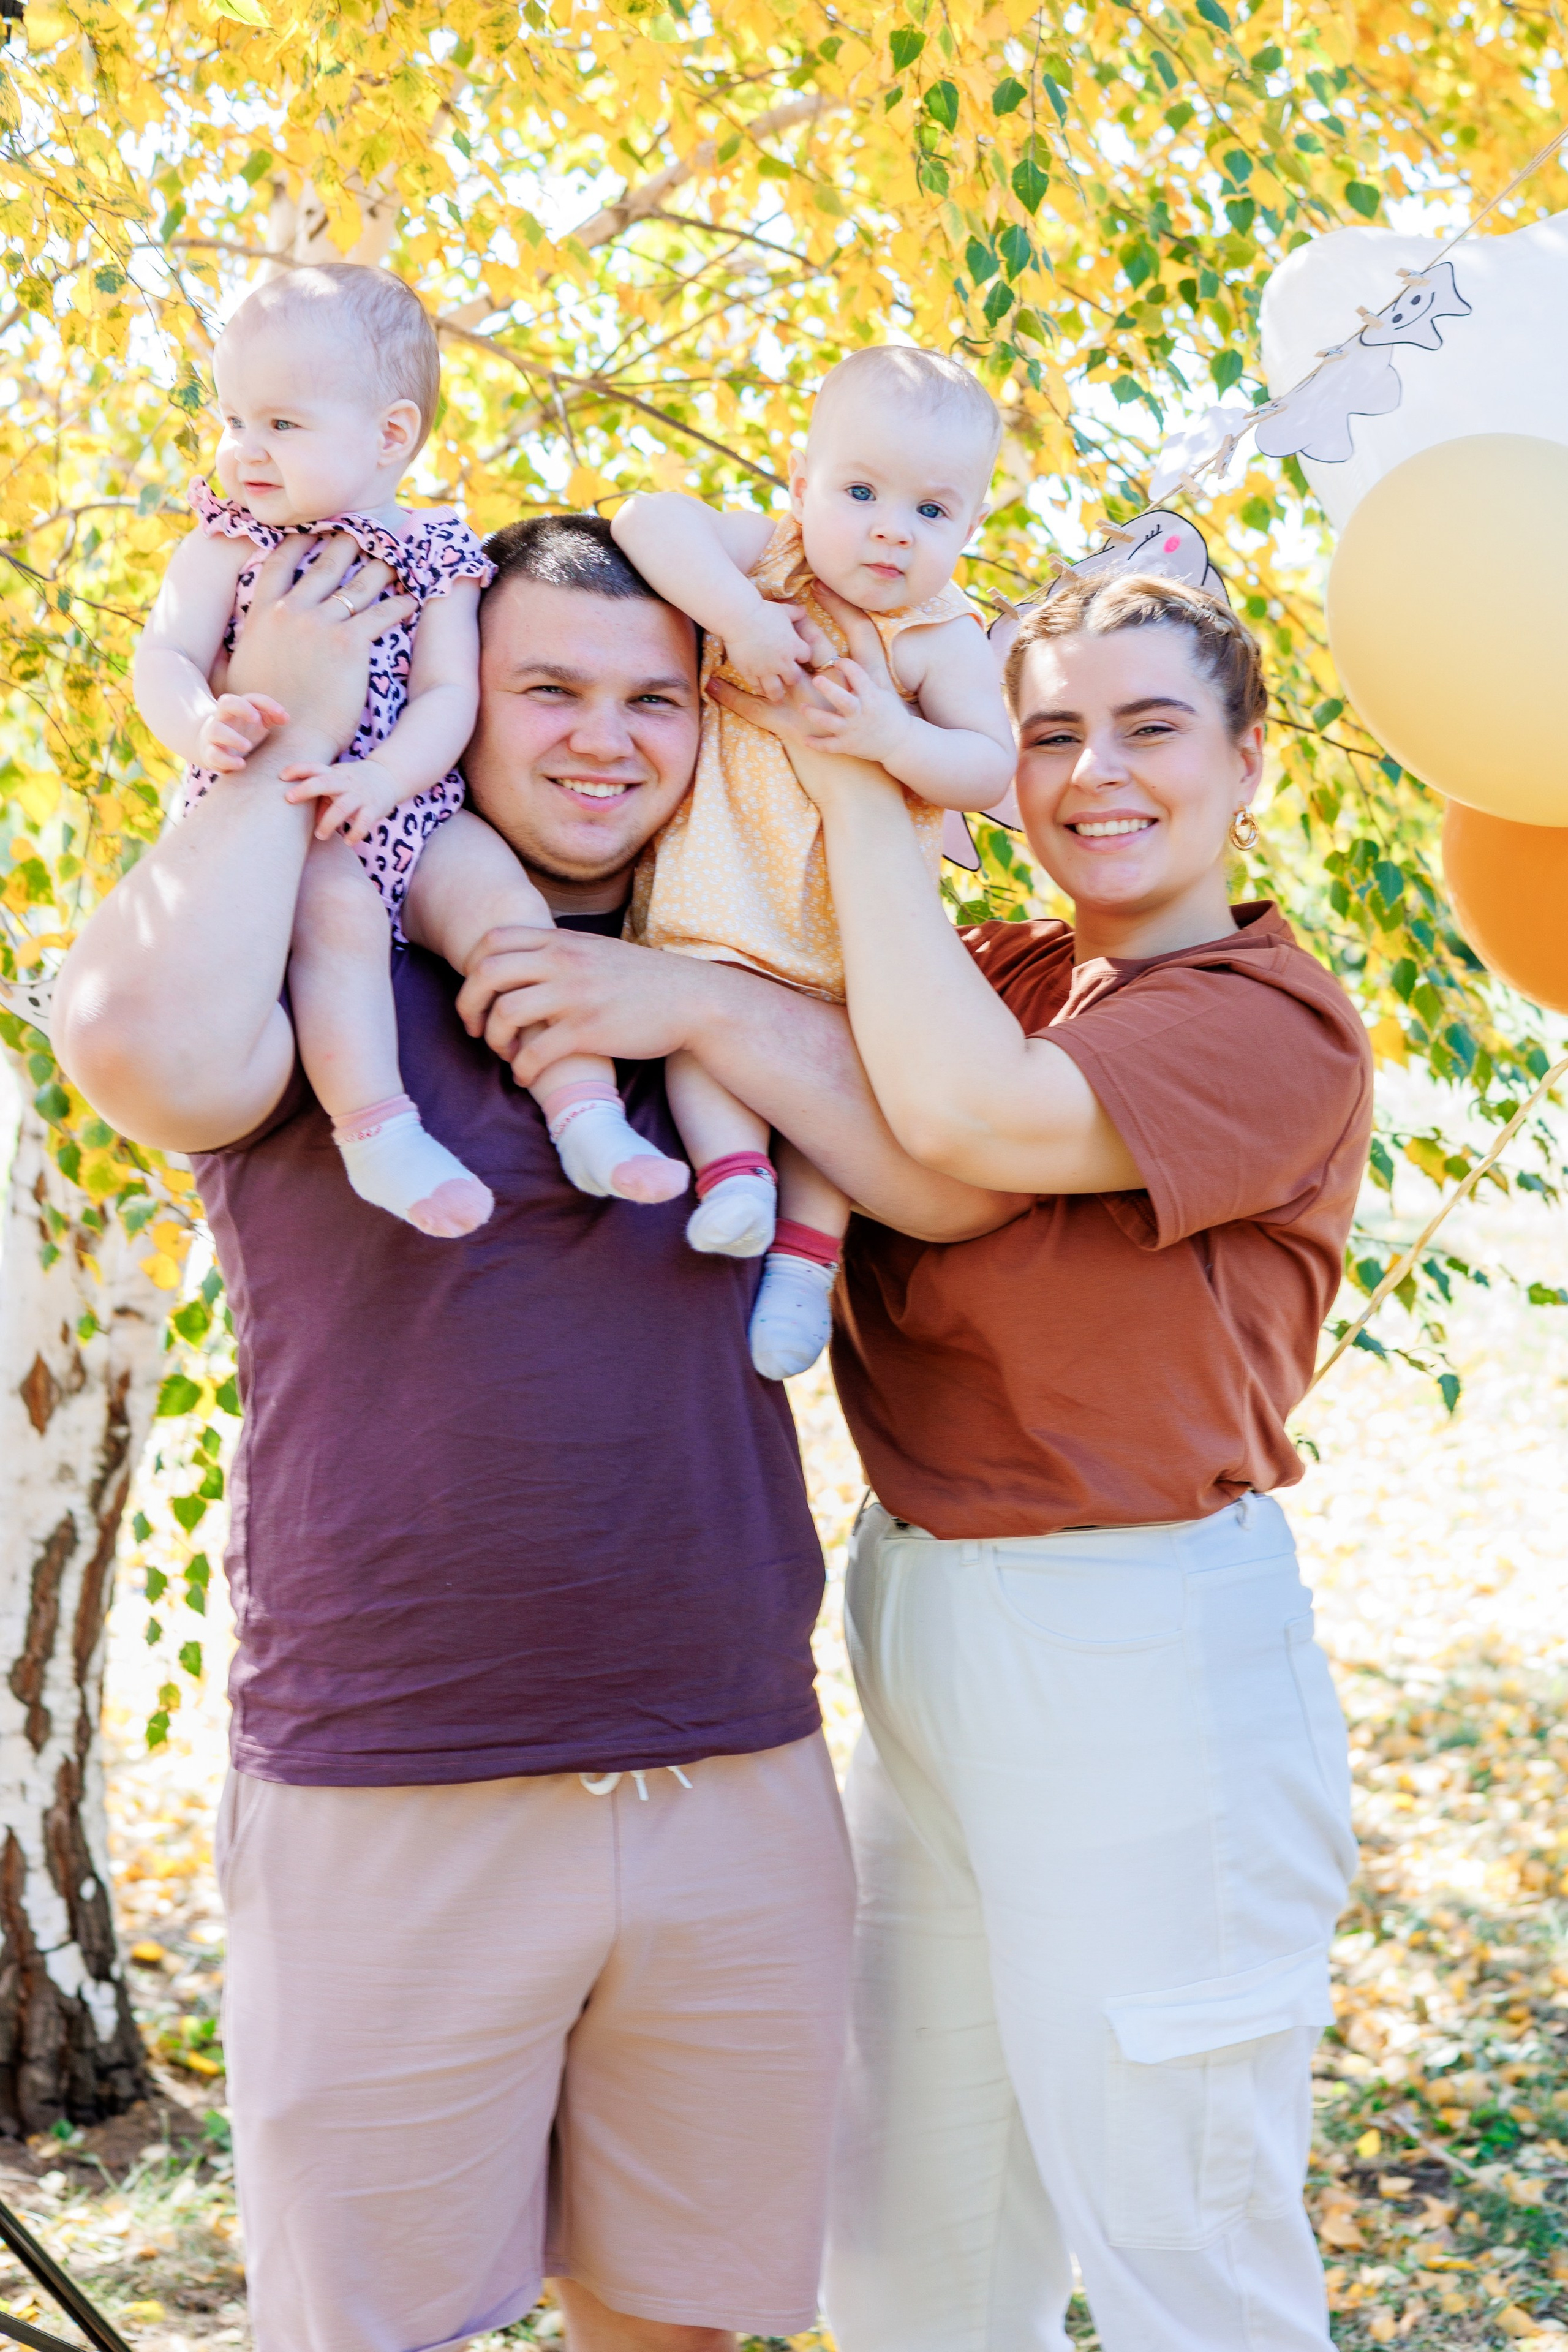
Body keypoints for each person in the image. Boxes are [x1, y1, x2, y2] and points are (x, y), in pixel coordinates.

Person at [54, 513, 1019, 2352]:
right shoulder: (327, 955)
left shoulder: (751, 964)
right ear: (459, 703)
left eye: (657, 697)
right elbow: (145, 1056)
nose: (606, 739)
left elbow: (947, 1182)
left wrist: (696, 1001)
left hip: (729, 1769)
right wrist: (288, 722)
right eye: (548, 688)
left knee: (681, 2323)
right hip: (395, 1783)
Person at [483, 565, 1374, 2352]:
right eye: (1050, 733)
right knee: (910, 2253)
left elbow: (961, 1129)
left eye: (1151, 728)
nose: (1093, 773)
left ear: (1252, 761)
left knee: (1180, 2245)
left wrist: (855, 787)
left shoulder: (1263, 1018)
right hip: (925, 1625)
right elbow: (867, 1101)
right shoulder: (1009, 973)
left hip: (1139, 1646)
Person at [136, 262, 687, 1237]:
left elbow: (446, 695)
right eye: (232, 421)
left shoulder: (437, 556)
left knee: (507, 912)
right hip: (288, 821)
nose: (243, 452)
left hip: (407, 803)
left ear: (392, 435)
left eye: (281, 424)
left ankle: (587, 1112)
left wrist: (387, 776)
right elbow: (165, 657)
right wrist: (198, 722)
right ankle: (380, 1133)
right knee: (340, 922)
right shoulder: (222, 548)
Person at [610, 346, 1015, 1379]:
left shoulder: (935, 635)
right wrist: (739, 618)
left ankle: (804, 1264)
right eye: (862, 491)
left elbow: (983, 767)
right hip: (727, 879)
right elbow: (644, 518)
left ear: (970, 530)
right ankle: (734, 1178)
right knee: (705, 1019)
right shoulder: (771, 561)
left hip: (853, 917)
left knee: (844, 1083)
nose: (891, 528)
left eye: (932, 512)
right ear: (800, 486)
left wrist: (893, 737)